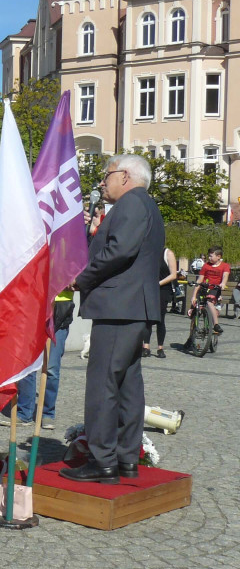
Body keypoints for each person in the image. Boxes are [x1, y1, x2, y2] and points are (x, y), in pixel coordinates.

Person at [62, 154, 164, 484]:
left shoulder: (132, 204)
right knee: (128, 384)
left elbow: (119, 251)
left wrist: (83, 277)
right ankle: (125, 458)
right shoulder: (145, 205)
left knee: (104, 384)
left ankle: (102, 460)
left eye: (107, 175)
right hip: (133, 308)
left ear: (126, 176)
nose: (103, 182)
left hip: (120, 308)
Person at [0, 289, 75, 429]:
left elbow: (78, 277)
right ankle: (24, 413)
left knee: (51, 368)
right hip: (33, 303)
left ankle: (47, 414)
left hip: (60, 307)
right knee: (27, 365)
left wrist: (70, 280)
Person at [143, 247, 177, 358]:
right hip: (149, 289)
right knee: (147, 318)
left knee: (160, 319)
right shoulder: (148, 251)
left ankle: (160, 348)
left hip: (163, 290)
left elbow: (173, 275)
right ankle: (146, 347)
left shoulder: (167, 253)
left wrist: (158, 283)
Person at [192, 246, 229, 335]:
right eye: (209, 256)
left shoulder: (225, 266)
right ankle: (191, 336)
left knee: (209, 302)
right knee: (194, 311)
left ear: (218, 256)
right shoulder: (206, 266)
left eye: (211, 256)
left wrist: (223, 283)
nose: (209, 258)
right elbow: (200, 279)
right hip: (204, 288)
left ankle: (216, 324)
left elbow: (225, 276)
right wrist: (194, 295)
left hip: (215, 289)